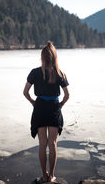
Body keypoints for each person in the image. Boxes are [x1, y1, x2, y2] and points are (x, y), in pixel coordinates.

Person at [23, 41, 70, 183]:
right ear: (54, 57)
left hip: (40, 108)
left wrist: (33, 103)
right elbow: (67, 95)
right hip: (54, 108)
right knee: (53, 143)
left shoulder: (35, 72)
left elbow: (25, 92)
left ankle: (44, 175)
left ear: (42, 57)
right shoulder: (60, 73)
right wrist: (60, 105)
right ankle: (51, 176)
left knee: (42, 143)